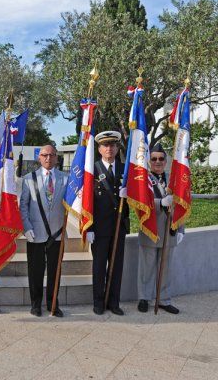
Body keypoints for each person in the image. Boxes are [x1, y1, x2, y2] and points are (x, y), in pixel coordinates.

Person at [20, 144, 67, 317]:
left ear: (56, 157)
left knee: (55, 271)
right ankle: (36, 304)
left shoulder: (66, 179)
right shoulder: (28, 179)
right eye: (45, 155)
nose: (48, 158)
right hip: (35, 233)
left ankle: (53, 303)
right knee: (35, 271)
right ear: (39, 157)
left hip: (57, 233)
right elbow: (23, 205)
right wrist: (26, 227)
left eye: (52, 155)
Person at [86, 131, 130, 316]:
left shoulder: (124, 170)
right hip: (99, 229)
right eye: (105, 145)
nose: (109, 148)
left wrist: (130, 196)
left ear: (117, 147)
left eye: (112, 145)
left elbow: (135, 199)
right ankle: (98, 302)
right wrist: (89, 227)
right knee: (99, 267)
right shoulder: (92, 170)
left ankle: (114, 302)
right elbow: (87, 201)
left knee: (116, 266)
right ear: (99, 149)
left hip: (118, 227)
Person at [136, 143, 183, 314]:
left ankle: (163, 299)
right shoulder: (143, 179)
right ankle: (144, 298)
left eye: (161, 159)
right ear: (149, 161)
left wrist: (181, 229)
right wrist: (160, 203)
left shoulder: (174, 179)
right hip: (151, 229)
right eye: (154, 159)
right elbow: (141, 203)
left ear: (166, 161)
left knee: (165, 269)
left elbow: (180, 206)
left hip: (169, 231)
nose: (157, 162)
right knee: (146, 269)